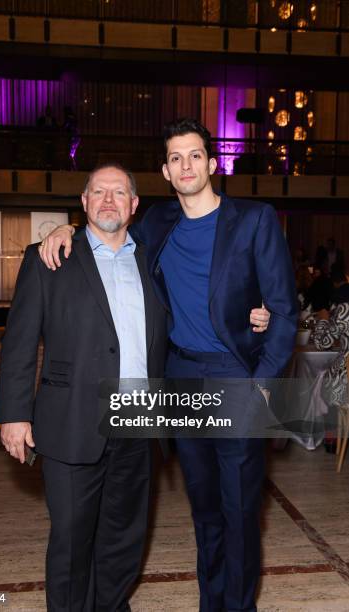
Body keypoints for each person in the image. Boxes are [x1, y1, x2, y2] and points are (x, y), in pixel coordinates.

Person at [38, 117, 296, 612]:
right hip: (180, 377)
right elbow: (106, 225)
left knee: (241, 509)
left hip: (236, 377)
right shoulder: (156, 223)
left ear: (212, 163)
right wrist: (64, 226)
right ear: (165, 170)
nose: (186, 165)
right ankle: (209, 602)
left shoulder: (255, 219)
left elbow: (283, 308)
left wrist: (266, 385)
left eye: (195, 155)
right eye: (176, 158)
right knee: (204, 508)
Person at [0, 164, 169, 612]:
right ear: (84, 201)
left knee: (123, 537)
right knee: (72, 538)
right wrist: (14, 415)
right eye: (98, 191)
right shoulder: (50, 256)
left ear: (134, 206)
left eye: (118, 193)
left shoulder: (153, 259)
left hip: (137, 422)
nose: (108, 200)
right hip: (70, 422)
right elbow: (18, 342)